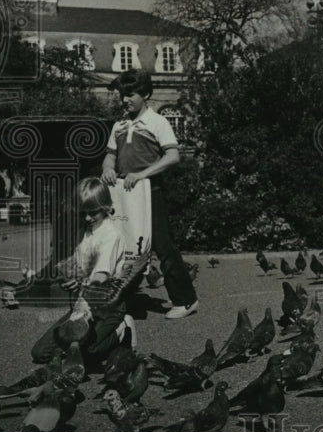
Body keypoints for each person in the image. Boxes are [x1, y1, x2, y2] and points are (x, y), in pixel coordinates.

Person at [102, 69, 198, 319]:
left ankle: (186, 301)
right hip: (123, 197)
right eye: (123, 95)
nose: (125, 100)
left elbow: (173, 156)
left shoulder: (158, 122)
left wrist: (143, 174)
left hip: (150, 193)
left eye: (130, 95)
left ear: (145, 94)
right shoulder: (119, 125)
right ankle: (124, 300)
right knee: (125, 248)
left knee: (162, 247)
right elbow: (110, 156)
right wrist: (108, 169)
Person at [31, 178, 136, 368]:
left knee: (89, 352)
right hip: (83, 307)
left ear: (106, 207)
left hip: (108, 308)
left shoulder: (111, 235)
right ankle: (79, 342)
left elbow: (101, 276)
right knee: (40, 353)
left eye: (92, 212)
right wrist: (69, 275)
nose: (87, 218)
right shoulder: (84, 231)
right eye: (82, 213)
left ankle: (122, 328)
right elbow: (79, 266)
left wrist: (80, 282)